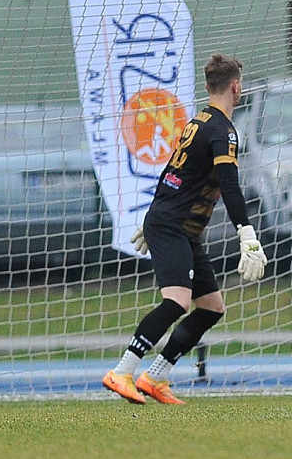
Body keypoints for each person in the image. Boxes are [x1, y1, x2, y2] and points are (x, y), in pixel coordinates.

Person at [103, 53, 267, 405]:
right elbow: (230, 186)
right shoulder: (223, 131)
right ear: (236, 87)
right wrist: (247, 233)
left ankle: (154, 377)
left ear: (208, 86)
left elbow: (172, 172)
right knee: (176, 301)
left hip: (177, 225)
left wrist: (152, 217)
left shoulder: (199, 122)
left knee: (211, 307)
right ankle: (121, 371)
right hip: (173, 225)